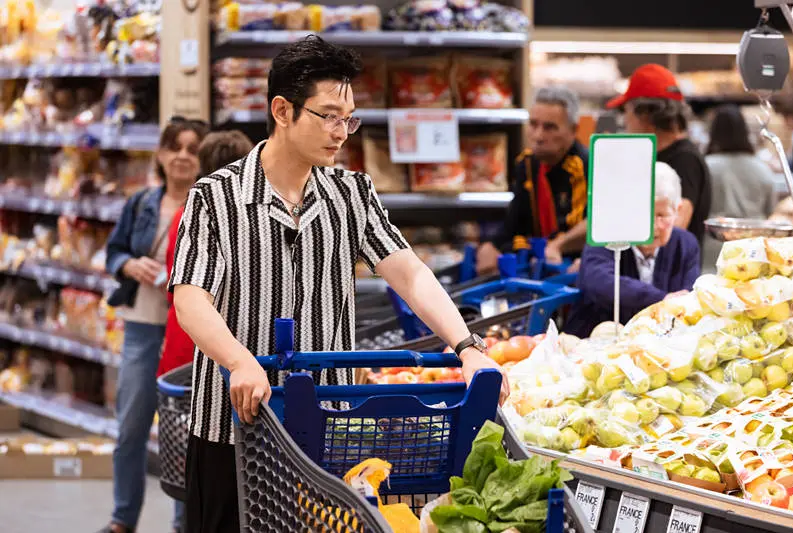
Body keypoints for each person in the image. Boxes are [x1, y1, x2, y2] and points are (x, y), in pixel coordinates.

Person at [168, 36, 509, 532]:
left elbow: (409, 272)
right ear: (282, 111)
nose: (341, 132)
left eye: (348, 118)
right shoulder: (216, 198)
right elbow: (191, 299)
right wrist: (239, 360)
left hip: (328, 432)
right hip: (232, 429)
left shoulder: (351, 193)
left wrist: (467, 345)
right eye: (328, 116)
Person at [101, 117, 209, 533]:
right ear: (161, 155)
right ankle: (122, 519)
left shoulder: (208, 210)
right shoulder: (142, 203)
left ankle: (184, 523)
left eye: (192, 148)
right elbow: (113, 252)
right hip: (143, 330)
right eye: (174, 146)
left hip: (191, 334)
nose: (182, 155)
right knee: (131, 428)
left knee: (185, 434)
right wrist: (128, 264)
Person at [563, 162, 701, 338]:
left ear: (677, 210)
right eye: (645, 214)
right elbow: (600, 282)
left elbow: (691, 295)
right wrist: (663, 299)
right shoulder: (605, 237)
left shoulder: (686, 244)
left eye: (661, 215)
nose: (653, 226)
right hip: (594, 340)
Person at [157, 130, 255, 378]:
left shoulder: (188, 213)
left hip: (186, 338)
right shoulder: (253, 218)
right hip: (235, 340)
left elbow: (174, 279)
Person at [476, 86, 589, 274]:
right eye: (533, 124)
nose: (538, 136)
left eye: (550, 127)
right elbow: (514, 222)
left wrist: (558, 245)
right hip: (536, 264)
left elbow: (593, 226)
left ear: (573, 129)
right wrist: (491, 245)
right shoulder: (526, 164)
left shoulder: (585, 164)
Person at [607, 64, 712, 250]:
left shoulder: (685, 160)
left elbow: (674, 227)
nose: (624, 119)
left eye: (626, 110)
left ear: (645, 114)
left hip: (670, 277)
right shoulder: (655, 156)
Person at [703, 105, 777, 271]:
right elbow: (771, 210)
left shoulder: (706, 166)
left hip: (713, 250)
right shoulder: (762, 169)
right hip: (755, 250)